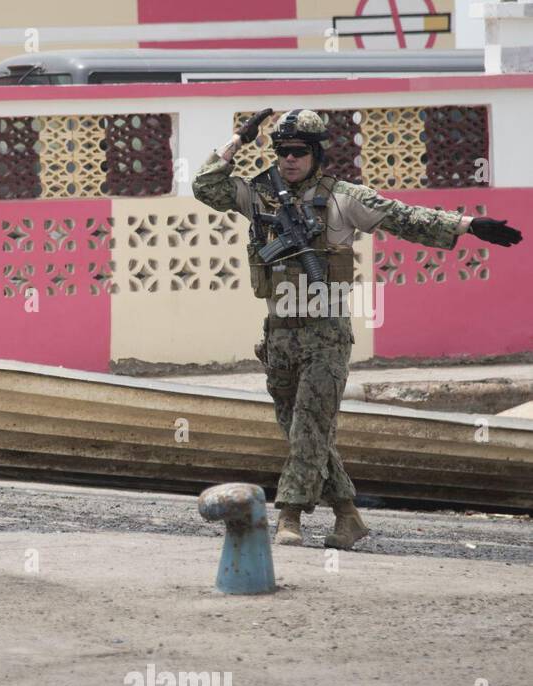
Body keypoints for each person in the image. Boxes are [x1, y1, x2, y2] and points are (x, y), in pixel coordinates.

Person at [192, 108, 522, 549]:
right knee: (299, 430)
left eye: (298, 152)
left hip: (325, 330)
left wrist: (469, 226)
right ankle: (348, 516)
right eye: (282, 151)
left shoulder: (343, 197)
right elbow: (205, 185)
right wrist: (238, 138)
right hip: (278, 332)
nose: (289, 160)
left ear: (315, 154)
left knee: (310, 423)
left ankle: (289, 516)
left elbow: (404, 216)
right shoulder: (259, 195)